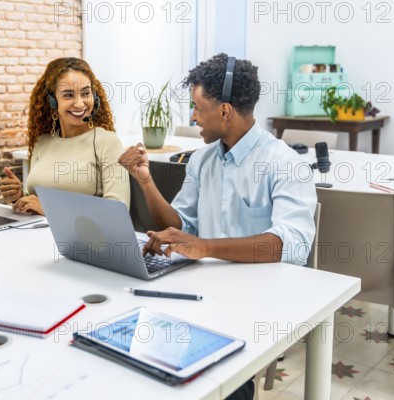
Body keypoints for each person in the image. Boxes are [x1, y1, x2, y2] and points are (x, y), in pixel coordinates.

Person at [120, 52, 317, 400]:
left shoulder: (284, 163)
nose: (193, 116)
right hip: (202, 293)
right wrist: (146, 182)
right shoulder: (202, 159)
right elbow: (180, 224)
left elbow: (293, 245)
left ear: (224, 111)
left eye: (197, 107)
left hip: (256, 305)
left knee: (223, 385)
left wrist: (206, 247)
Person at [0, 57, 129, 215]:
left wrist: (51, 210)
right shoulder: (42, 142)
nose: (80, 104)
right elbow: (37, 203)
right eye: (68, 95)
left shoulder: (107, 142)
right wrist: (18, 197)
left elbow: (117, 211)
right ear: (53, 101)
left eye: (85, 93)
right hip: (35, 234)